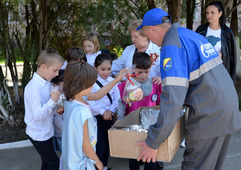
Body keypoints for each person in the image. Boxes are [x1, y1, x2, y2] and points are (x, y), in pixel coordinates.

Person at [136, 8, 241, 170]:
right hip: (226, 109)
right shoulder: (191, 36)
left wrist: (153, 141)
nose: (148, 39)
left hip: (209, 116)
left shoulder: (171, 45)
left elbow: (173, 98)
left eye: (146, 34)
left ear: (153, 29)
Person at [118, 52, 163, 170]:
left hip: (150, 128)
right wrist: (119, 121)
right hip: (132, 125)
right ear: (133, 68)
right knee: (133, 155)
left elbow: (160, 105)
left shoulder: (155, 84)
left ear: (151, 69)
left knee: (150, 157)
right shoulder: (127, 84)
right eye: (140, 72)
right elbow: (121, 104)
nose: (143, 75)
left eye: (146, 72)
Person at [24, 49, 64, 170]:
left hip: (45, 131)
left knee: (47, 162)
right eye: (55, 70)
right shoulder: (33, 88)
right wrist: (52, 101)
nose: (57, 74)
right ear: (43, 67)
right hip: (39, 134)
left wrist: (57, 101)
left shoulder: (46, 82)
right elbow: (37, 115)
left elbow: (49, 103)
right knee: (53, 163)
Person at [62, 61, 103, 170]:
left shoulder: (70, 101)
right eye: (91, 83)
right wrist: (97, 161)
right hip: (81, 163)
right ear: (82, 85)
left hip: (70, 158)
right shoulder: (81, 112)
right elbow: (86, 145)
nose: (93, 85)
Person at [89, 53, 120, 170]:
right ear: (95, 68)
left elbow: (116, 99)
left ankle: (105, 166)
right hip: (96, 117)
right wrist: (103, 112)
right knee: (100, 146)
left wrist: (111, 111)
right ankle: (98, 167)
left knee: (108, 145)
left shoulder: (113, 81)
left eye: (109, 69)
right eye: (102, 69)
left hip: (110, 116)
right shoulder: (91, 82)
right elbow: (91, 101)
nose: (106, 72)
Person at [196, 1, 237, 83]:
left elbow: (232, 57)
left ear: (220, 14)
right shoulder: (201, 30)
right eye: (207, 13)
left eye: (212, 13)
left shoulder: (227, 33)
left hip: (221, 72)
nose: (209, 15)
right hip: (203, 73)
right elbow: (194, 50)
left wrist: (232, 80)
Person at [112, 19, 161, 84]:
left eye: (136, 37)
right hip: (132, 89)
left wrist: (161, 77)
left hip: (151, 89)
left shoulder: (157, 50)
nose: (133, 39)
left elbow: (165, 71)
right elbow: (116, 65)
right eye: (131, 36)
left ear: (146, 36)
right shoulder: (128, 49)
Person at [51, 69, 65, 153]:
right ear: (55, 85)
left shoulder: (64, 95)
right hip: (63, 133)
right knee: (65, 156)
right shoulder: (58, 99)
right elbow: (57, 119)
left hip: (66, 132)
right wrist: (68, 130)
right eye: (65, 84)